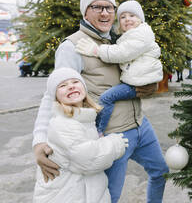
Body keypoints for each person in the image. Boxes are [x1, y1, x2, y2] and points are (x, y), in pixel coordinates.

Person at [33, 0, 169, 203]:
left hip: (140, 125)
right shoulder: (73, 46)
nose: (105, 13)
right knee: (108, 197)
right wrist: (39, 140)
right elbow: (52, 95)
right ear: (85, 11)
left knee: (161, 172)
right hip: (112, 135)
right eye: (97, 7)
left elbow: (140, 68)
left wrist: (151, 85)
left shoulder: (119, 40)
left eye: (110, 7)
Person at [33, 67, 128, 203]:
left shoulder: (84, 118)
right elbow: (89, 160)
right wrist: (115, 143)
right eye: (63, 85)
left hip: (84, 191)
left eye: (75, 82)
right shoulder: (63, 124)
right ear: (56, 97)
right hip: (66, 195)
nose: (71, 87)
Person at [75, 0, 163, 136]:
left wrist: (97, 51)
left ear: (141, 19)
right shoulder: (129, 36)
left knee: (106, 98)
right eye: (123, 17)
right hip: (137, 83)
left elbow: (122, 53)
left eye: (132, 16)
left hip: (138, 84)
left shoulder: (140, 35)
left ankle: (98, 130)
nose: (127, 19)